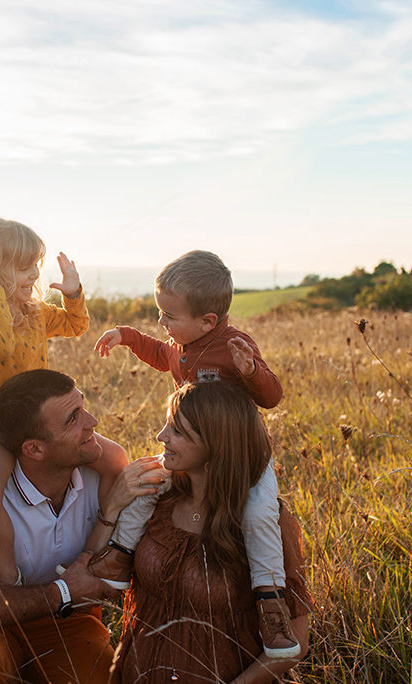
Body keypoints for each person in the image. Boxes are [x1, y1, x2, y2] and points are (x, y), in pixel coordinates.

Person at [91, 250, 297, 657]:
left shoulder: (233, 345)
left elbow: (272, 396)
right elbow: (158, 352)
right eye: (160, 313)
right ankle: (118, 557)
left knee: (258, 514)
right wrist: (127, 336)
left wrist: (251, 371)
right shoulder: (181, 344)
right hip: (191, 447)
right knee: (149, 482)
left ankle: (271, 603)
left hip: (241, 453)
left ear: (208, 321)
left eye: (169, 316)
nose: (162, 324)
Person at [0, 369, 165, 684]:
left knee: (100, 677)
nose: (92, 422)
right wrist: (62, 591)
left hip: (68, 624)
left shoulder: (102, 478)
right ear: (34, 449)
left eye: (84, 407)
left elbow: (107, 581)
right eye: (73, 418)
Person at [0, 217, 128, 586]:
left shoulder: (36, 313)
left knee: (116, 459)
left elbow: (76, 326)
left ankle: (99, 551)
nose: (33, 275)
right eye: (23, 267)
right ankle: (10, 576)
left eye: (35, 266)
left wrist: (73, 295)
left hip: (40, 423)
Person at [110, 382, 312, 684]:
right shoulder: (156, 499)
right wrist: (111, 506)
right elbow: (102, 583)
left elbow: (295, 641)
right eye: (166, 425)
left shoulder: (261, 526)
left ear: (215, 446)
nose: (160, 437)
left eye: (177, 431)